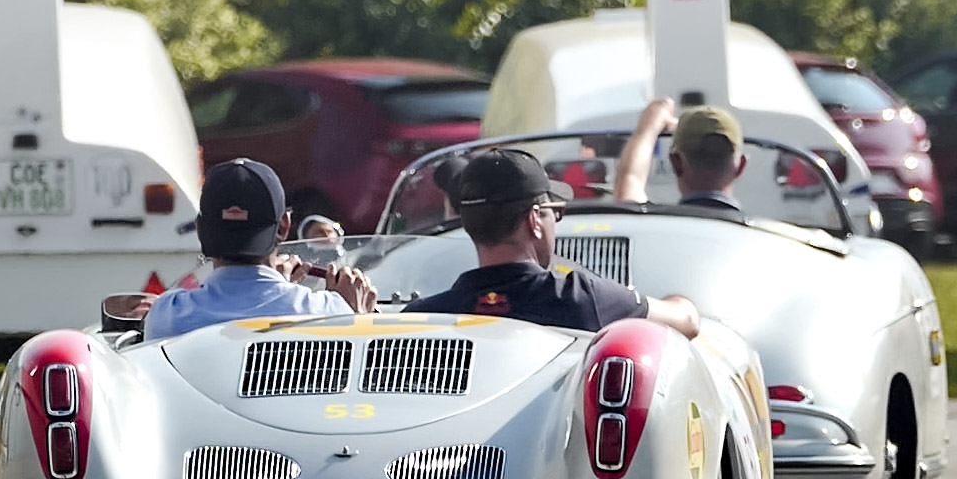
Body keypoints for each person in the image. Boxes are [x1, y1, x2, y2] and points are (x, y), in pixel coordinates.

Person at [405, 148, 702, 338]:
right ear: (534, 220)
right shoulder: (582, 299)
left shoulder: (424, 319)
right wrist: (679, 297)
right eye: (554, 213)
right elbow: (687, 322)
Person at [144, 158, 378, 340]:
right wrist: (358, 316)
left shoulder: (167, 314)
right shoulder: (332, 311)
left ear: (200, 229)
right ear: (284, 226)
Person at [611, 98, 748, 217]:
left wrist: (650, 124)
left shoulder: (656, 227)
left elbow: (630, 180)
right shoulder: (759, 238)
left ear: (676, 163)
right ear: (741, 166)